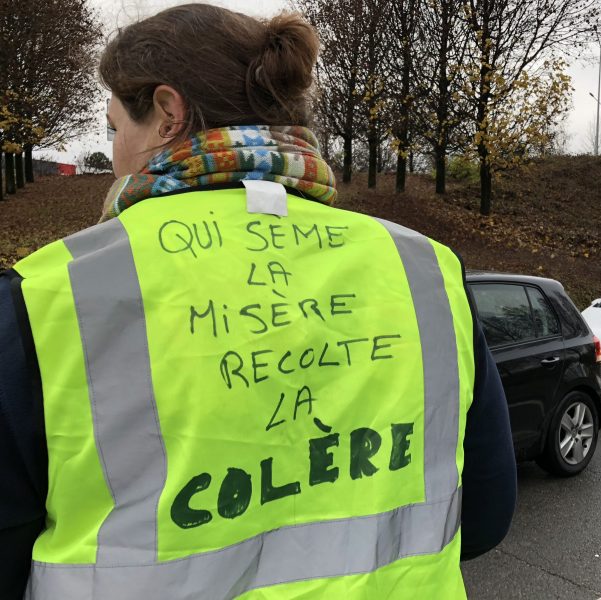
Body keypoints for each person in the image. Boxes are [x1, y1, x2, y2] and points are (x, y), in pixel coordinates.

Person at [0, 5, 516, 599]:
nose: (113, 152)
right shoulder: (427, 270)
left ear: (168, 113)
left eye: (116, 128)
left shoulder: (51, 295)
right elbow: (481, 516)